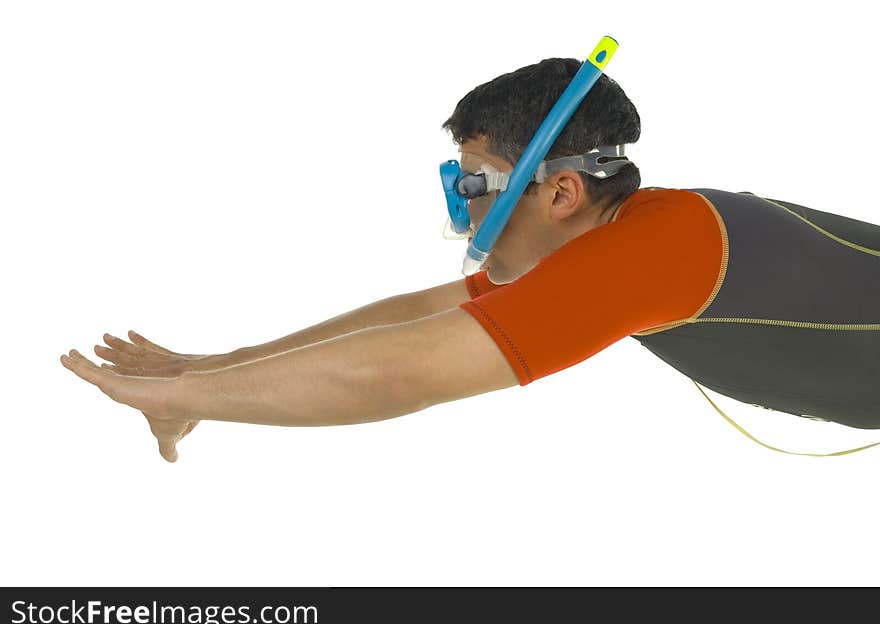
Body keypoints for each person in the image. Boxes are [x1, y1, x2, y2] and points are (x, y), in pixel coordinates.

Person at [60, 58, 880, 462]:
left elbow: (406, 370)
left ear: (558, 192)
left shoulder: (661, 246)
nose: (462, 211)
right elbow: (428, 314)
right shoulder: (623, 241)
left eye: (474, 184)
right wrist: (212, 368)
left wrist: (187, 394)